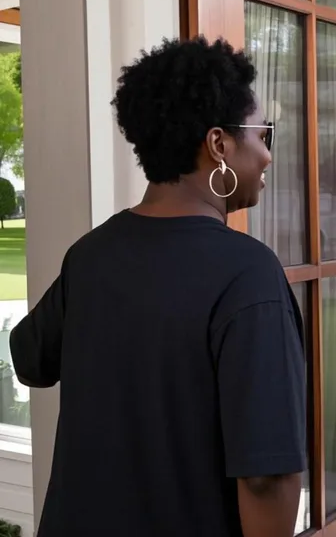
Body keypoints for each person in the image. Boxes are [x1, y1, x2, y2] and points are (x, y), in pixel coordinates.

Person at [10, 36, 306, 537]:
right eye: (264, 135)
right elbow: (265, 478)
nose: (268, 156)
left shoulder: (90, 256)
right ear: (219, 144)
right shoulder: (248, 275)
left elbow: (29, 358)